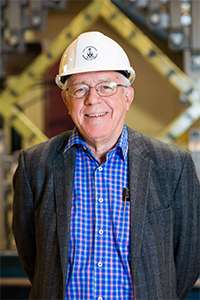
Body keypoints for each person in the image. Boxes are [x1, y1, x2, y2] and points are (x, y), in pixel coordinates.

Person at [12, 31, 200, 300]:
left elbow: (188, 259)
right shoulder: (35, 166)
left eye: (106, 86)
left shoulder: (172, 165)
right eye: (80, 89)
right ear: (66, 100)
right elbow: (34, 258)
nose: (93, 99)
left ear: (128, 96)